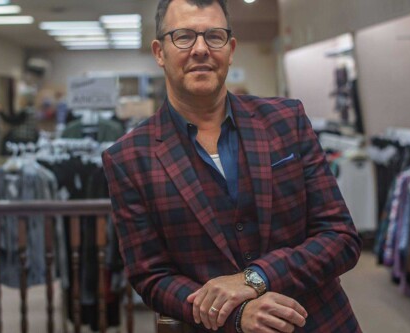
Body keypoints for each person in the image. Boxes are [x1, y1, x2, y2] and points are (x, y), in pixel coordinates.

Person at [102, 0, 362, 332]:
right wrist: (235, 315)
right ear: (159, 52)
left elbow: (340, 237)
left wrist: (257, 278)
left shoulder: (286, 120)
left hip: (319, 322)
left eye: (214, 36)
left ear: (231, 48)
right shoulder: (128, 158)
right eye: (183, 36)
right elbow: (151, 277)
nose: (200, 49)